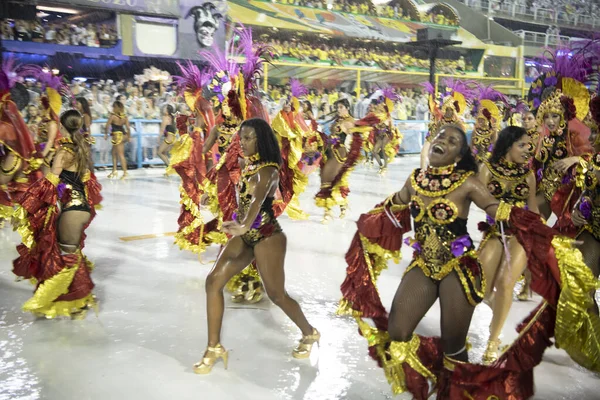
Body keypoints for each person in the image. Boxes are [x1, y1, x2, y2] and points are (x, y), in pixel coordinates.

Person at [339, 124, 600, 398]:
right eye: (441, 137)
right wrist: (370, 223)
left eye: (452, 141)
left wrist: (548, 237)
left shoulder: (467, 183)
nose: (443, 142)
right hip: (424, 265)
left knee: (454, 347)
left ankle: (458, 390)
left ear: (459, 155)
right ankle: (437, 381)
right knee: (398, 331)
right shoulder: (415, 179)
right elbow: (395, 206)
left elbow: (499, 210)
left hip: (457, 269)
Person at [195, 118, 318, 374]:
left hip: (267, 237)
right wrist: (216, 200)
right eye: (242, 138)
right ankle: (213, 347)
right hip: (246, 234)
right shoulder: (250, 165)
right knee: (213, 281)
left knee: (276, 295)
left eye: (248, 138)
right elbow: (233, 185)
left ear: (261, 140)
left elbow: (256, 202)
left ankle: (310, 332)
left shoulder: (269, 170)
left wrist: (243, 225)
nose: (243, 143)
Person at [12, 110, 102, 319]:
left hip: (72, 210)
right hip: (80, 208)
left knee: (68, 258)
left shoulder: (64, 152)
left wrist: (28, 205)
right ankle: (79, 301)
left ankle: (50, 299)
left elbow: (49, 182)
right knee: (73, 255)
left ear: (61, 126)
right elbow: (87, 182)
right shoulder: (81, 148)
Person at [477, 126, 539, 363]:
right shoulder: (487, 169)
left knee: (505, 283)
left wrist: (542, 230)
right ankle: (495, 304)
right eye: (521, 145)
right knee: (480, 286)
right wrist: (498, 210)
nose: (527, 149)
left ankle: (493, 340)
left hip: (520, 236)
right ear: (507, 145)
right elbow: (480, 200)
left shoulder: (528, 175)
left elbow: (532, 208)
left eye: (528, 145)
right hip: (494, 233)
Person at [314, 98, 357, 223]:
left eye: (341, 107)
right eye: (337, 107)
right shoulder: (337, 120)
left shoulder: (350, 121)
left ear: (347, 108)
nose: (338, 110)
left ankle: (327, 213)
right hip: (329, 152)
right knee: (334, 180)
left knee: (327, 178)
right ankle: (342, 205)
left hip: (340, 154)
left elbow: (356, 137)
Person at [104, 101, 130, 179]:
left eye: (113, 107)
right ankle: (114, 170)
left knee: (120, 154)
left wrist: (106, 134)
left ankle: (125, 172)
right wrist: (129, 136)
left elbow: (107, 126)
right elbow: (128, 128)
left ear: (115, 107)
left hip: (117, 136)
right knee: (114, 153)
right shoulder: (125, 117)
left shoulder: (113, 116)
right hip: (123, 135)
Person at [76, 97, 94, 170]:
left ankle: (92, 177)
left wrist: (86, 139)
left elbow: (87, 128)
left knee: (87, 158)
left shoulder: (85, 115)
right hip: (80, 138)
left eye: (77, 104)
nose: (76, 105)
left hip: (84, 139)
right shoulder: (80, 114)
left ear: (82, 104)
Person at [157, 104, 177, 172]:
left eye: (165, 108)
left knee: (159, 152)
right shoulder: (172, 117)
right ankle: (169, 167)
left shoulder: (165, 117)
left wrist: (158, 138)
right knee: (164, 153)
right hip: (173, 138)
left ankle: (170, 167)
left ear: (167, 111)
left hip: (168, 138)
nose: (163, 109)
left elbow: (162, 130)